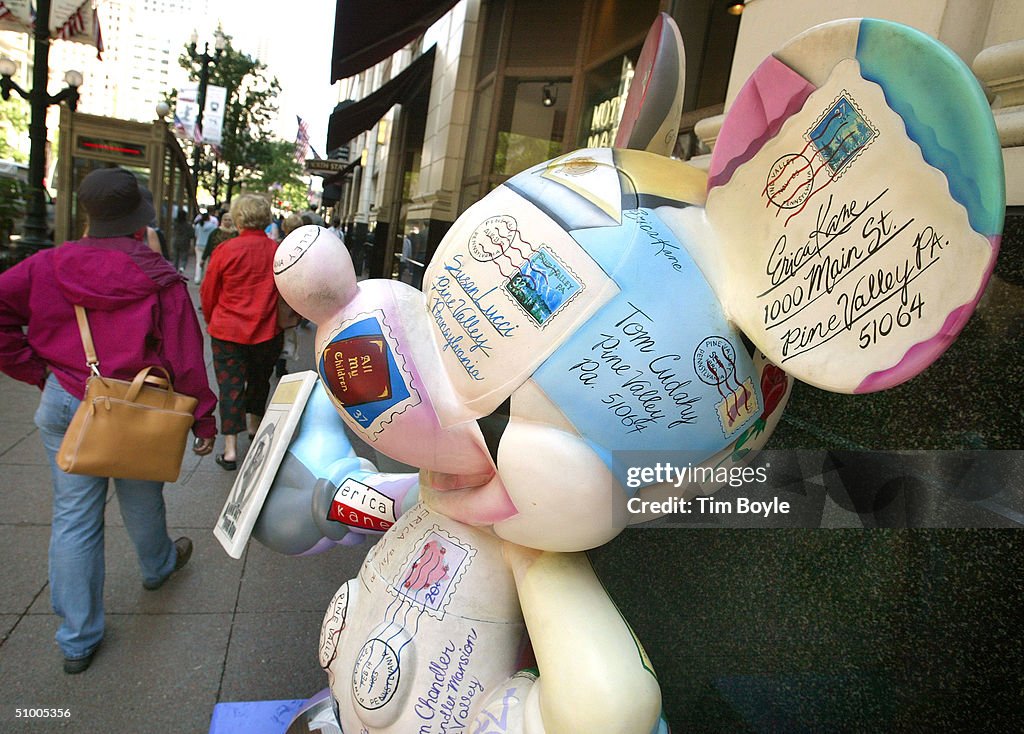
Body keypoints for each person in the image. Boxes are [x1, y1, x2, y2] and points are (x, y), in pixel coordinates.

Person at [0, 167, 217, 675]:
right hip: (139, 406)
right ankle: (158, 565)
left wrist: (37, 371)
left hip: (67, 398)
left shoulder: (45, 266)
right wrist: (203, 421)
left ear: (86, 213)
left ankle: (77, 639)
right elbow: (186, 356)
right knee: (142, 493)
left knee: (74, 518)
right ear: (140, 222)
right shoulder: (160, 277)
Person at [200, 194, 283, 471]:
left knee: (230, 386)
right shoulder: (277, 251)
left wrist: (213, 319)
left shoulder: (225, 249)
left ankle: (231, 449)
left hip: (227, 330)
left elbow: (209, 292)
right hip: (267, 329)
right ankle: (255, 430)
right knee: (260, 381)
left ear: (238, 218)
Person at [192, 210, 217, 283]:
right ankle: (205, 279)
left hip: (199, 244)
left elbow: (196, 235)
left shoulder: (198, 225)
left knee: (198, 262)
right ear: (209, 218)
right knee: (207, 263)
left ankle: (197, 278)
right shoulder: (214, 226)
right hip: (209, 246)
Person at [171, 208, 193, 273]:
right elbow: (192, 234)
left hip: (176, 241)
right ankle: (182, 267)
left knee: (176, 257)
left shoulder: (175, 223)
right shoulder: (188, 225)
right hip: (185, 242)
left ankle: (175, 269)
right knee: (184, 257)